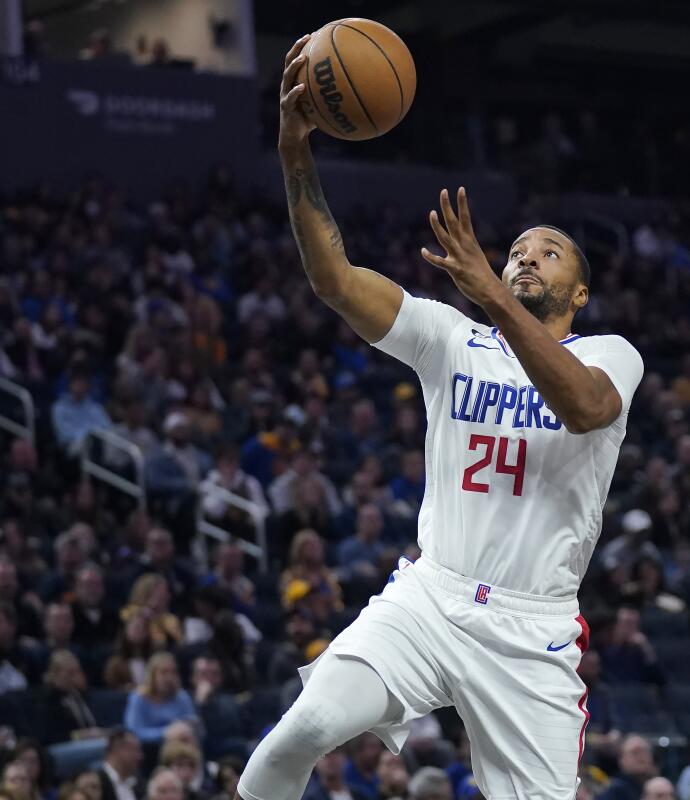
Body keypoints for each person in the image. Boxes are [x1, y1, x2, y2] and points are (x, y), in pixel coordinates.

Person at [239, 32, 644, 800]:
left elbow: (586, 409)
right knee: (299, 732)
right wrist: (297, 150)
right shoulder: (448, 337)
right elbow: (332, 279)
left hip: (531, 632)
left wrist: (490, 291)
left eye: (548, 253)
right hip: (429, 598)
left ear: (580, 293)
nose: (525, 257)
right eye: (518, 248)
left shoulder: (611, 352)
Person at [123, 652, 201, 745]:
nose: (169, 678)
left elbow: (193, 724)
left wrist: (187, 729)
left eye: (173, 672)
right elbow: (132, 732)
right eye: (163, 672)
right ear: (152, 675)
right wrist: (164, 733)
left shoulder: (182, 696)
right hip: (146, 748)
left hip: (178, 746)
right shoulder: (138, 697)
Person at [98, 730, 143, 800]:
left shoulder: (137, 780)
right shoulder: (97, 781)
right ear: (118, 749)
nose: (140, 756)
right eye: (135, 750)